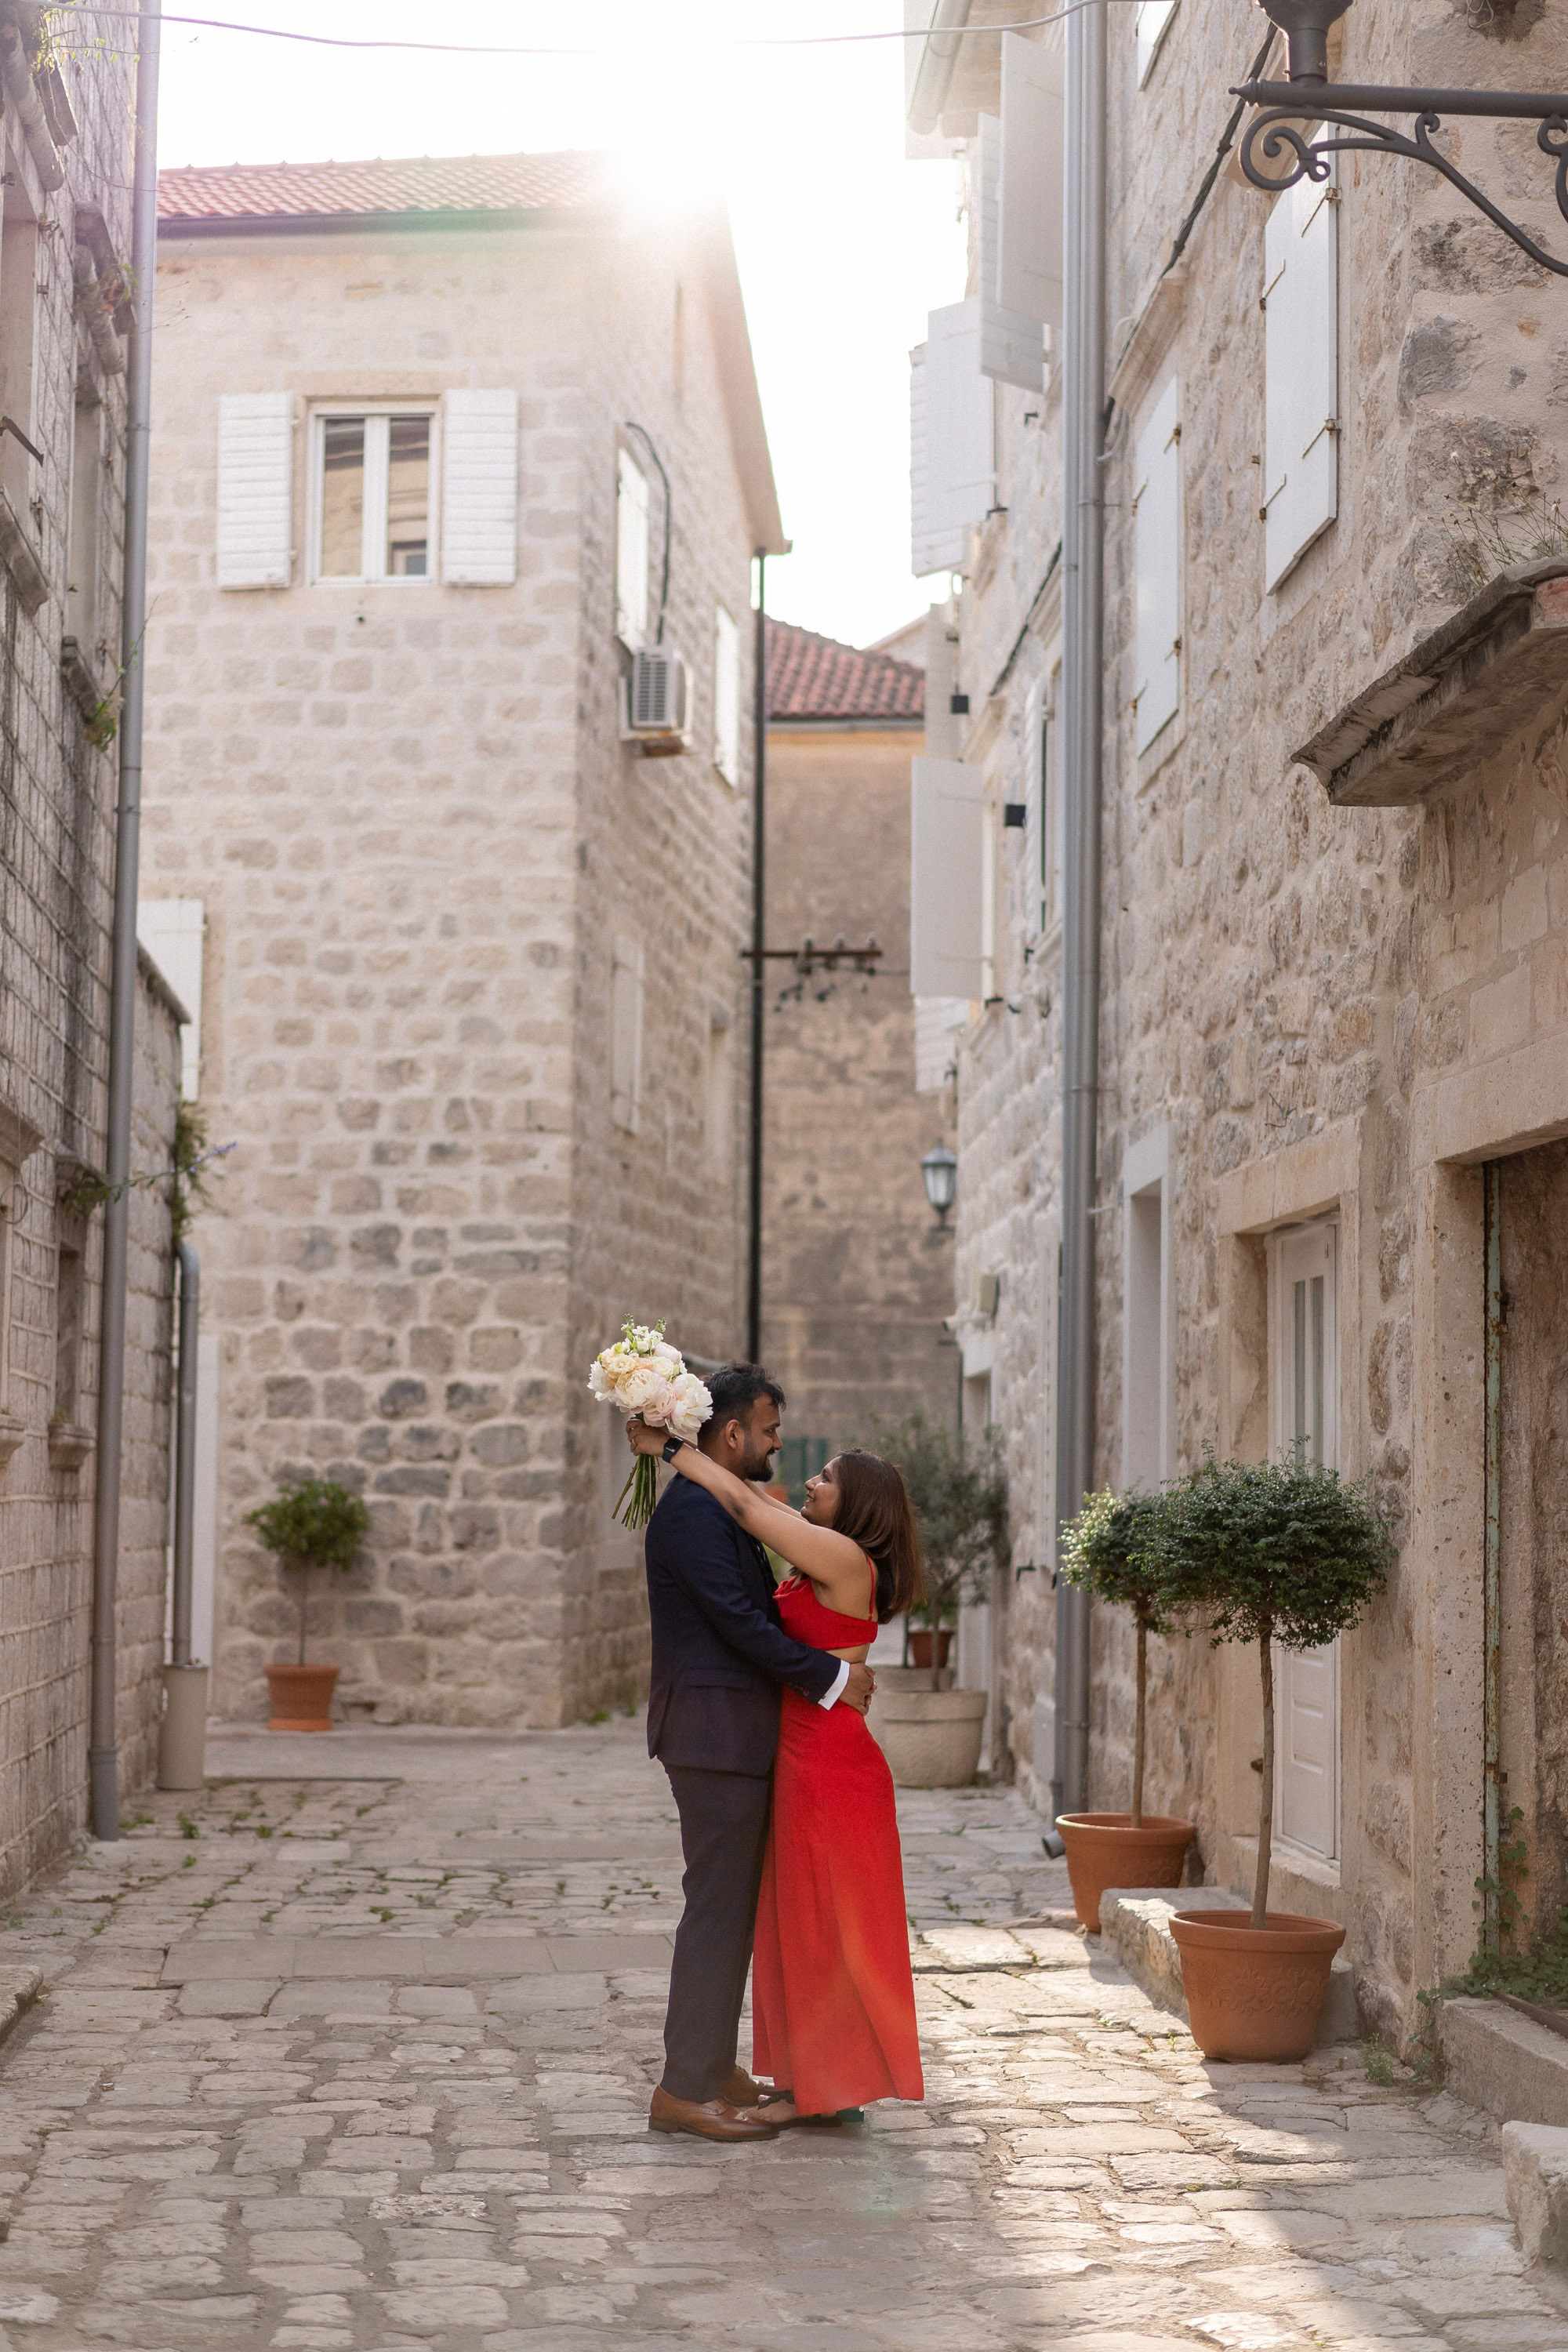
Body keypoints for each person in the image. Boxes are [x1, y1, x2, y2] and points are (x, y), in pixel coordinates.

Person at [631, 1410, 925, 2128]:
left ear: (857, 1504)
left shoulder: (843, 1558)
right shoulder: (823, 1550)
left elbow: (743, 1504)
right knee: (800, 1924)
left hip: (828, 1761)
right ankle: (816, 2078)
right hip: (796, 1751)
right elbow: (754, 1499)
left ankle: (817, 2089)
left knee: (826, 1925)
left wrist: (671, 1449)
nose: (809, 1482)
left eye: (826, 1479)